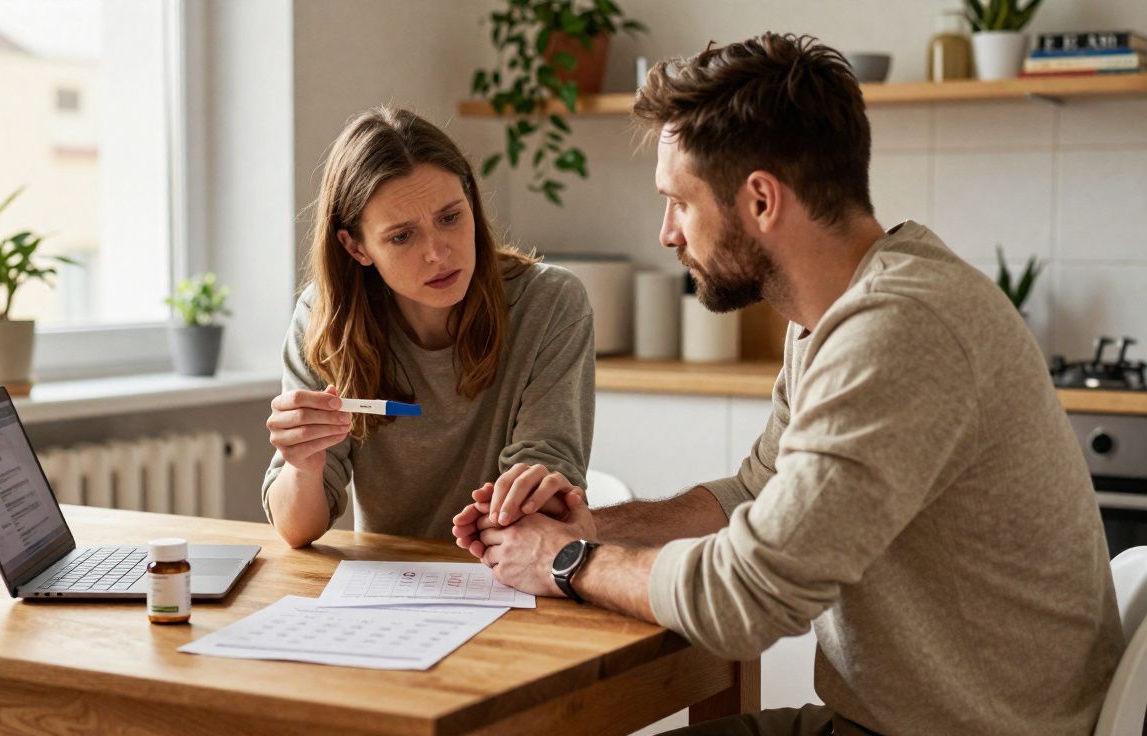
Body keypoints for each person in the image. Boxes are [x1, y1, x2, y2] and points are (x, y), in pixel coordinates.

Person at [452, 33, 1124, 735]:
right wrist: (593, 524)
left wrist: (567, 560)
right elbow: (757, 490)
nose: (667, 234)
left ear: (761, 200)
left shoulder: (899, 330)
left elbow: (747, 598)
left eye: (679, 203)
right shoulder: (832, 315)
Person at [263, 107, 594, 547]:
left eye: (451, 218)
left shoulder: (549, 303)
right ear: (356, 246)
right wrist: (304, 464)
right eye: (402, 236)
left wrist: (531, 498)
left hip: (508, 571)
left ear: (472, 203)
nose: (438, 253)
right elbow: (296, 531)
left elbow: (549, 491)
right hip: (385, 586)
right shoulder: (326, 320)